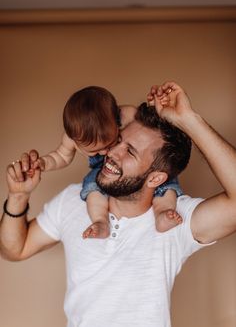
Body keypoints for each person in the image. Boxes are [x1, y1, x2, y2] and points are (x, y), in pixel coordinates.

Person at [1, 81, 236, 327]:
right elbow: (14, 250)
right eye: (118, 141)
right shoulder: (73, 199)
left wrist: (189, 120)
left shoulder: (176, 218)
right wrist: (18, 196)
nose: (112, 153)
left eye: (130, 152)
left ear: (156, 178)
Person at [31, 85, 183, 238]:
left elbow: (149, 128)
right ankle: (100, 221)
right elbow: (61, 157)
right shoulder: (72, 138)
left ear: (116, 119)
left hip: (141, 170)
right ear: (76, 141)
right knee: (92, 190)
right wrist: (43, 163)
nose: (106, 152)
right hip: (101, 170)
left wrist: (155, 107)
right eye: (95, 150)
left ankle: (163, 212)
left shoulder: (127, 115)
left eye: (112, 142)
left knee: (167, 184)